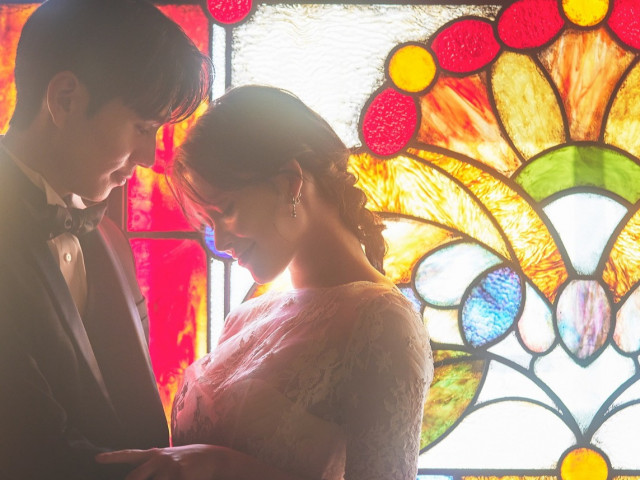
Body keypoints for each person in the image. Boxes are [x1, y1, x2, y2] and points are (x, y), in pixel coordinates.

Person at [97, 85, 434, 480]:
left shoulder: (382, 322)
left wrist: (224, 467)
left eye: (227, 209)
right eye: (209, 222)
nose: (221, 241)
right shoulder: (245, 318)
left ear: (290, 183)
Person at [0, 0, 211, 478]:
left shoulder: (109, 238)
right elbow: (28, 450)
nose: (148, 156)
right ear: (65, 99)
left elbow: (131, 415)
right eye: (143, 127)